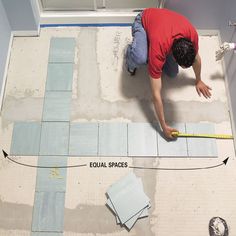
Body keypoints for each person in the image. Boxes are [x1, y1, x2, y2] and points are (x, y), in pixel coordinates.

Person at [125, 8, 212, 139]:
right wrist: (163, 126)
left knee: (172, 73)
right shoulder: (159, 48)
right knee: (140, 58)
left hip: (162, 27)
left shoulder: (192, 36)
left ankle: (149, 39)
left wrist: (198, 80)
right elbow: (155, 94)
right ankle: (129, 55)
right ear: (174, 57)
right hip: (143, 20)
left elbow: (197, 59)